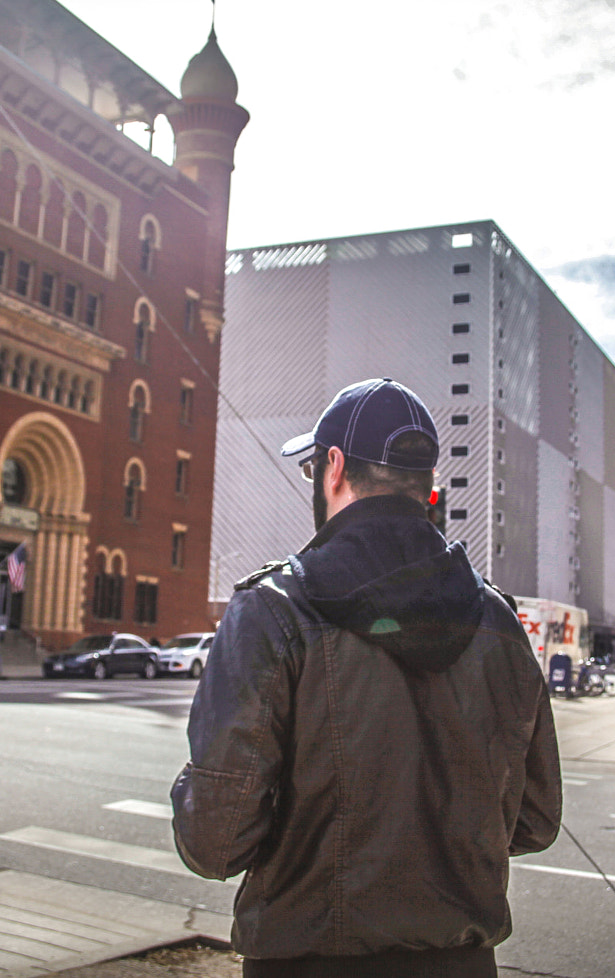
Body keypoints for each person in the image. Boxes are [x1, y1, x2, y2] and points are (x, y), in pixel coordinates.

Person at [172, 377, 562, 977]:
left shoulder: (273, 610)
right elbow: (535, 821)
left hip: (307, 960)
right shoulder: (499, 622)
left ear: (333, 468)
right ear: (424, 484)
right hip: (463, 963)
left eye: (312, 472)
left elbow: (215, 843)